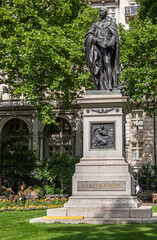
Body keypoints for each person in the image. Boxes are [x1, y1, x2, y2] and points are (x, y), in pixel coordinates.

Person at [84, 7, 121, 91]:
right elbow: (89, 35)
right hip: (96, 47)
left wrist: (110, 43)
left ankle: (110, 85)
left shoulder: (111, 24)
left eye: (102, 11)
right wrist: (96, 40)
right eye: (99, 11)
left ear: (106, 13)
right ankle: (101, 86)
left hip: (107, 47)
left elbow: (115, 36)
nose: (100, 13)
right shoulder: (95, 24)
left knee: (107, 64)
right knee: (99, 66)